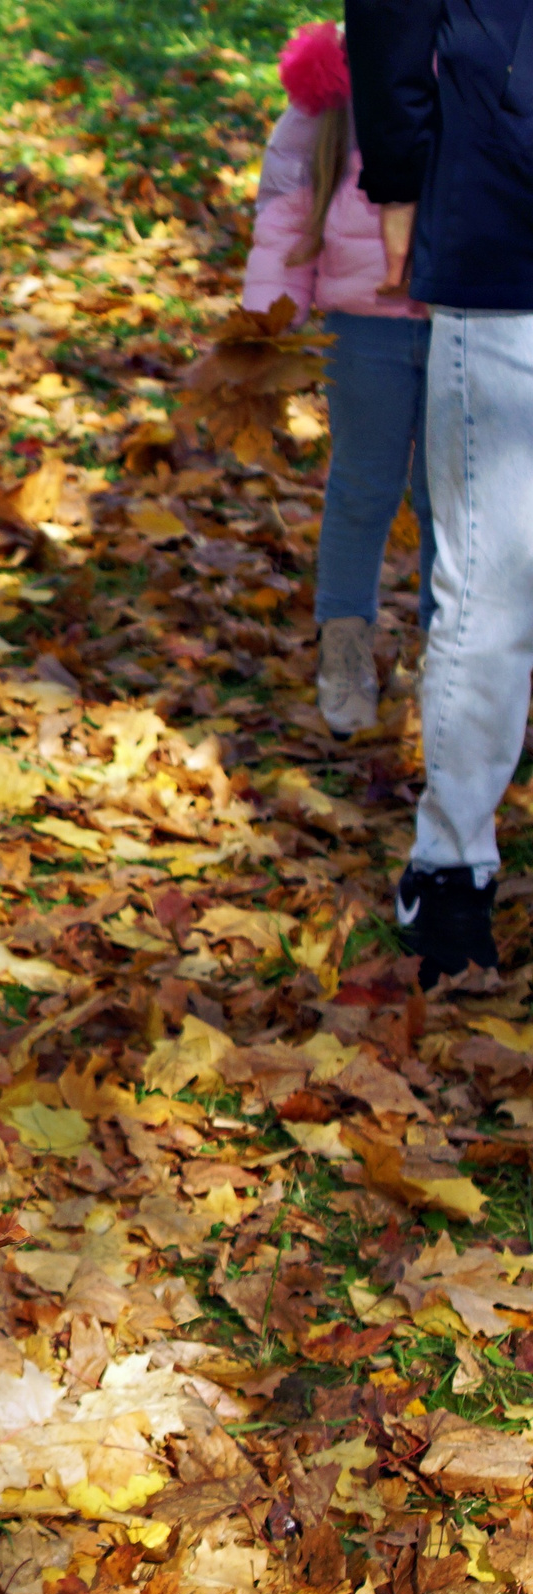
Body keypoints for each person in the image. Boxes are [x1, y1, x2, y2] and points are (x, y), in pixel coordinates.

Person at [345, 0, 533, 985]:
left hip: (495, 222)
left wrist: (399, 180)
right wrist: (404, 172)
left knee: (490, 594)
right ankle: (453, 878)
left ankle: (453, 870)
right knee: (490, 593)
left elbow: (387, 30)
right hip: (501, 228)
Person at [242, 19, 434, 738]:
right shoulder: (341, 73)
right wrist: (271, 313)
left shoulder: (487, 55)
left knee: (449, 493)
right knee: (363, 486)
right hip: (364, 323)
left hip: (464, 314)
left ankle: (441, 652)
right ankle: (345, 649)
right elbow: (288, 200)